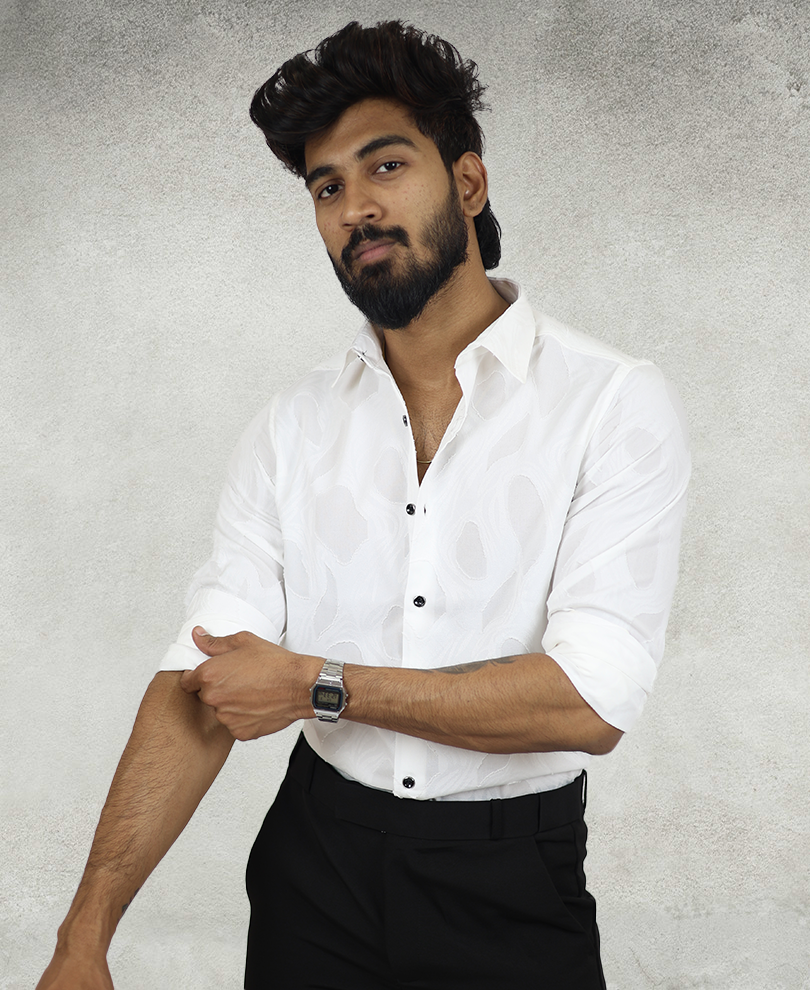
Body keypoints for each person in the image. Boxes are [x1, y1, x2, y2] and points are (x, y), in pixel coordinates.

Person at [37, 19, 690, 990]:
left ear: (468, 182)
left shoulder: (611, 403)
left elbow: (590, 699)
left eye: (387, 165)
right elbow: (202, 680)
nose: (357, 208)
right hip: (316, 869)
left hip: (508, 880)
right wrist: (83, 936)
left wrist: (319, 685)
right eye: (328, 187)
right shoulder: (291, 426)